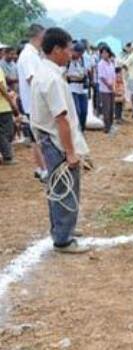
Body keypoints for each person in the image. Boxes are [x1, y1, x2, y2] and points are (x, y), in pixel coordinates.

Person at [31, 27, 91, 254]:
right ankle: (63, 238)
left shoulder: (45, 73)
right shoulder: (52, 79)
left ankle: (62, 228)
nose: (70, 53)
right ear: (56, 50)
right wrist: (70, 151)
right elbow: (61, 119)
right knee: (64, 187)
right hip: (55, 141)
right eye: (67, 49)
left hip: (48, 139)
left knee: (58, 187)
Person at [17, 23, 47, 182]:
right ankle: (43, 170)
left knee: (37, 138)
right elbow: (32, 79)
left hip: (34, 103)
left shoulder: (34, 54)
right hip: (34, 103)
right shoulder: (29, 55)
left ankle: (40, 167)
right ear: (38, 36)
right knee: (37, 139)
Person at [66, 42, 89, 134]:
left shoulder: (81, 61)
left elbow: (84, 73)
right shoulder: (67, 61)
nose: (79, 56)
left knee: (84, 111)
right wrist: (76, 77)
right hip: (72, 89)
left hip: (81, 89)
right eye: (78, 53)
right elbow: (65, 75)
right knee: (77, 111)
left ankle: (82, 129)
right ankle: (77, 131)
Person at [0, 57, 19, 165]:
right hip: (2, 106)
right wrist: (11, 102)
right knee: (7, 132)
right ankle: (7, 156)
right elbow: (1, 86)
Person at [97, 45, 116, 134]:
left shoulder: (111, 63)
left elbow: (113, 75)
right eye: (103, 53)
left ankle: (111, 125)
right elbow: (102, 77)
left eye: (106, 52)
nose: (104, 54)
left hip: (112, 88)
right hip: (105, 89)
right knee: (106, 108)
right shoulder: (101, 64)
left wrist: (113, 85)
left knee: (112, 108)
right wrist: (109, 85)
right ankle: (107, 127)